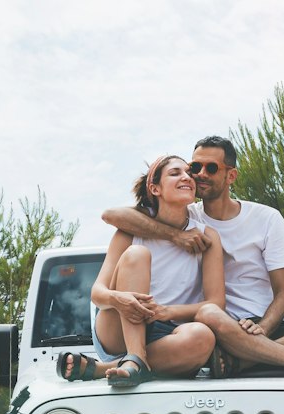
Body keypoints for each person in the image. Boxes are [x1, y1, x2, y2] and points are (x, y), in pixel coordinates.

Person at [101, 135, 284, 376]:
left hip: (268, 327)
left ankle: (248, 362)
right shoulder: (187, 218)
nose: (199, 174)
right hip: (220, 329)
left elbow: (283, 294)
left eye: (211, 168)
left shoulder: (266, 218)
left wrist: (264, 331)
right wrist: (174, 235)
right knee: (211, 312)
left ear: (230, 175)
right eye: (194, 167)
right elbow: (113, 215)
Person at [60, 155, 224, 389]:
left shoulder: (207, 236)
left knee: (203, 336)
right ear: (154, 188)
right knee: (137, 254)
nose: (187, 177)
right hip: (118, 326)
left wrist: (166, 312)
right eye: (175, 173)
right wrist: (120, 299)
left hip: (170, 332)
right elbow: (97, 293)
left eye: (189, 173)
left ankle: (106, 369)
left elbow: (216, 303)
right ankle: (134, 357)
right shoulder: (129, 232)